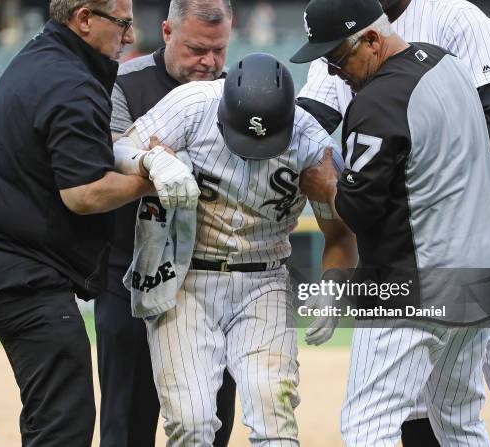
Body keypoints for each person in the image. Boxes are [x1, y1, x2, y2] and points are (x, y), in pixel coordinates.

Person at [0, 1, 198, 445]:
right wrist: (156, 179)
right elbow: (83, 194)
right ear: (84, 19)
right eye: (122, 24)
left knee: (52, 412)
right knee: (65, 420)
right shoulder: (70, 80)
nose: (128, 36)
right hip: (18, 273)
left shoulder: (44, 56)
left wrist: (136, 155)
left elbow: (83, 144)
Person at [296, 0, 490, 445]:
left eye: (336, 59)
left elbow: (358, 209)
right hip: (478, 274)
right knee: (457, 419)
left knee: (367, 424)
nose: (334, 73)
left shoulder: (379, 102)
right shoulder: (443, 63)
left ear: (371, 39)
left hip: (416, 280)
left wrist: (328, 185)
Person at [115, 52, 356, 446]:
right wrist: (150, 161)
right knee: (190, 424)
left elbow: (341, 235)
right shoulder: (193, 104)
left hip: (265, 280)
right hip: (184, 276)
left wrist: (332, 288)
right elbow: (119, 149)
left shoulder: (312, 143)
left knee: (274, 418)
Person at [96, 1, 237, 445]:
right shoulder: (124, 83)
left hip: (214, 279)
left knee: (210, 422)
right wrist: (150, 161)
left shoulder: (238, 90)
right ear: (166, 32)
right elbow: (110, 159)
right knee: (127, 421)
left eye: (218, 50)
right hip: (129, 273)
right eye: (197, 48)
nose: (209, 62)